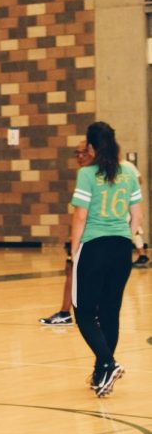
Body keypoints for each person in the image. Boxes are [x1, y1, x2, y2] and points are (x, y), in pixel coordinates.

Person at [70, 122, 143, 397]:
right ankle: (102, 371)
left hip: (94, 247)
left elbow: (80, 216)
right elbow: (137, 216)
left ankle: (108, 363)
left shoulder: (87, 174)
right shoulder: (128, 173)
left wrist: (74, 250)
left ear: (90, 146)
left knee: (85, 313)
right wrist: (128, 236)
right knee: (110, 312)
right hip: (121, 248)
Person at [40, 140, 94, 325]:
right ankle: (66, 312)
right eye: (76, 153)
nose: (80, 157)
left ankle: (81, 312)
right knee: (71, 271)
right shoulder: (86, 174)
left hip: (94, 236)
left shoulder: (92, 174)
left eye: (84, 153)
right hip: (84, 234)